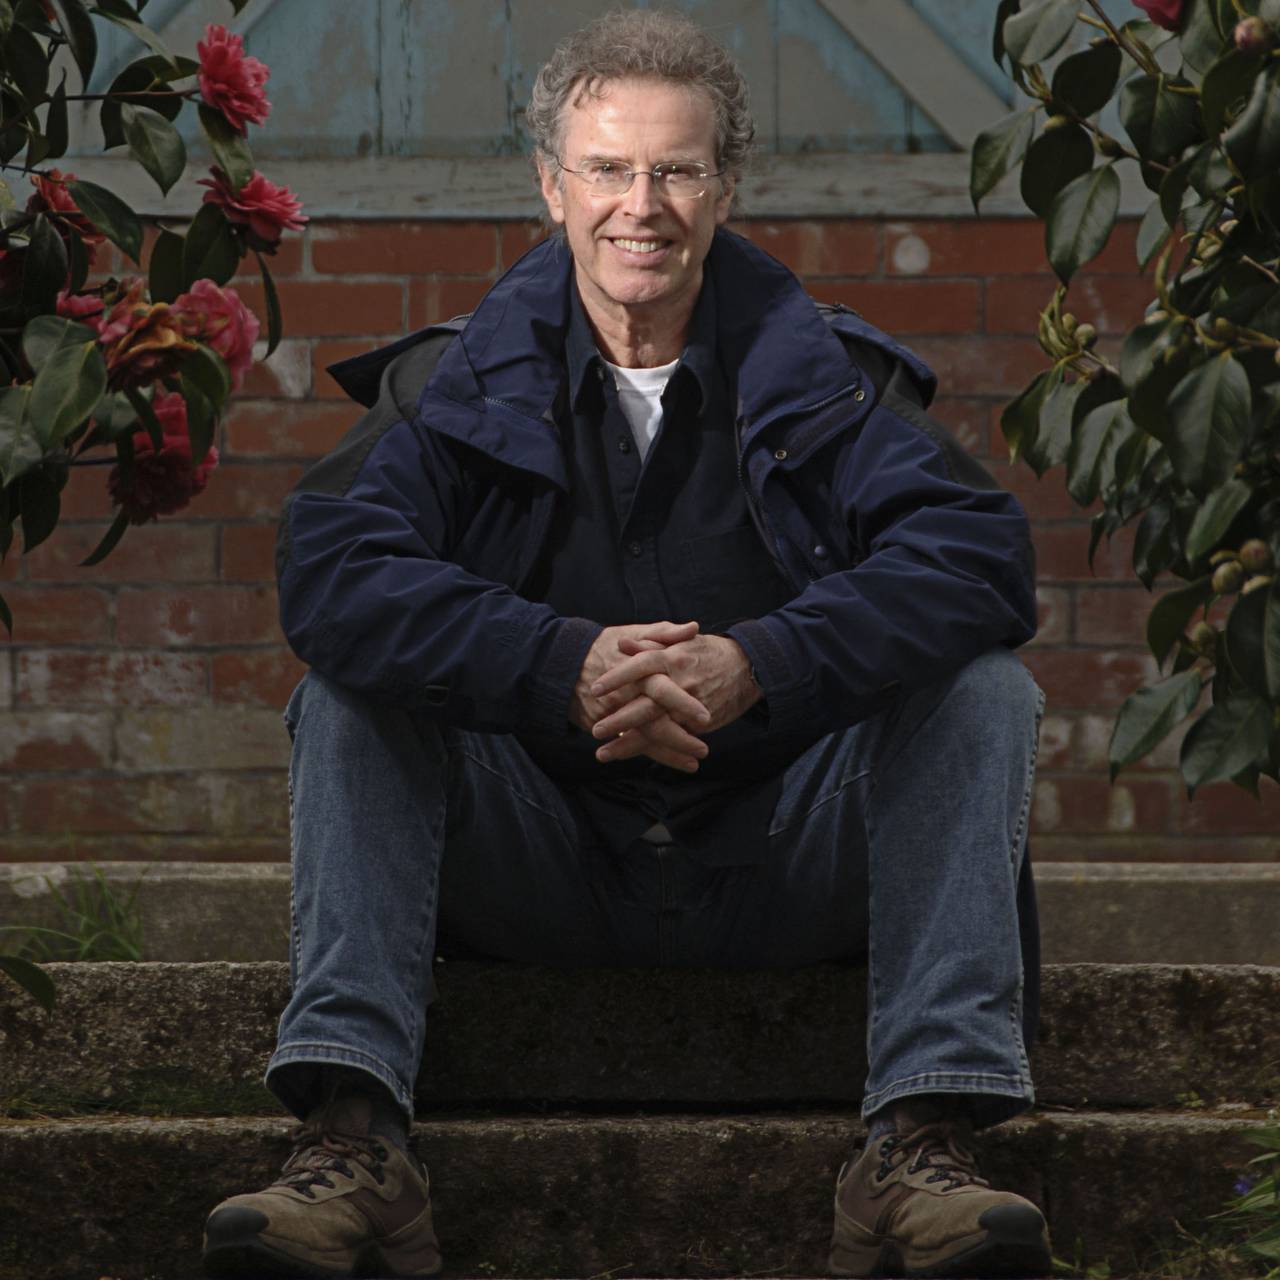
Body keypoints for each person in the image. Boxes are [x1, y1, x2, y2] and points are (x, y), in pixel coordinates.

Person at [201, 9, 1051, 1279]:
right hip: (540, 861)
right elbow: (333, 570)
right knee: (349, 694)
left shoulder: (823, 378)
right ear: (551, 184)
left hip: (780, 858)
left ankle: (920, 1143)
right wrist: (562, 663)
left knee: (981, 690)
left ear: (726, 184)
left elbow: (981, 557)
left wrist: (761, 658)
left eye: (675, 169)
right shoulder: (455, 387)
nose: (638, 204)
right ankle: (354, 1139)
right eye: (606, 169)